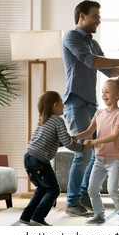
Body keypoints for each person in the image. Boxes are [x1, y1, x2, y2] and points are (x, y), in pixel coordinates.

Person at [62, 0, 119, 216]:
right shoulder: (71, 36)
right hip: (76, 101)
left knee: (95, 154)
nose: (98, 20)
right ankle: (72, 202)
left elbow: (109, 71)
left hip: (91, 103)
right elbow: (91, 62)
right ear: (82, 17)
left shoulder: (93, 43)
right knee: (83, 155)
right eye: (95, 16)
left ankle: (84, 194)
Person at [19, 91, 90, 226]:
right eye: (62, 102)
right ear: (55, 105)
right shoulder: (58, 120)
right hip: (39, 160)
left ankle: (26, 216)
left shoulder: (42, 121)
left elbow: (55, 141)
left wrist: (71, 138)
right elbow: (68, 144)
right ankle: (38, 217)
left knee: (41, 188)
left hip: (29, 158)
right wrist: (83, 148)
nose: (63, 105)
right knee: (54, 190)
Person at [73, 76, 119, 226]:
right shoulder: (99, 113)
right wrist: (76, 136)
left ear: (118, 95)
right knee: (92, 189)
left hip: (115, 159)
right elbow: (89, 131)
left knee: (112, 189)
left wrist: (94, 142)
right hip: (100, 158)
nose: (103, 95)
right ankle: (99, 215)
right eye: (102, 92)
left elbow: (114, 136)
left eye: (107, 92)